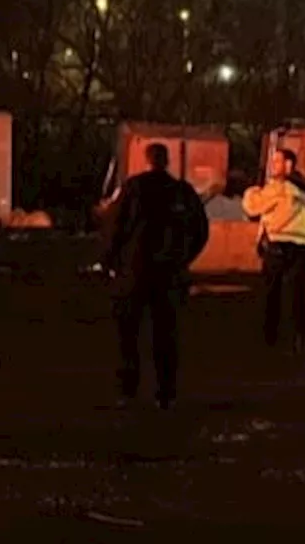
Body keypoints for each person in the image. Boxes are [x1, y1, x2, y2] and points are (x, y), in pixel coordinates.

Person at [102, 143, 209, 410]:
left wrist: (111, 261)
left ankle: (128, 389)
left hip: (135, 273)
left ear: (146, 160)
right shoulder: (181, 192)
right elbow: (200, 230)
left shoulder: (133, 188)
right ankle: (165, 392)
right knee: (166, 335)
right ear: (167, 161)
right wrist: (184, 258)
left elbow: (114, 226)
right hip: (169, 274)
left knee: (128, 335)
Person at [243, 148, 305, 355]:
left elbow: (252, 207)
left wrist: (253, 189)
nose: (273, 166)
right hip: (302, 246)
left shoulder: (279, 188)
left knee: (273, 292)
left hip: (278, 243)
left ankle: (270, 337)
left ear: (289, 165)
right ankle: (301, 335)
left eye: (277, 162)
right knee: (299, 293)